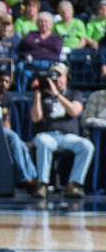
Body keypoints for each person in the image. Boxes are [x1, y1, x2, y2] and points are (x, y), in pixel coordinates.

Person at [29, 62, 94, 199]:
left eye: (60, 75)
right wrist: (38, 94)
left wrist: (57, 95)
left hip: (68, 137)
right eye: (54, 76)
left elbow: (74, 111)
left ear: (67, 77)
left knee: (87, 146)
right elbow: (35, 118)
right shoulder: (43, 95)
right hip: (47, 135)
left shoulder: (74, 93)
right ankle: (42, 185)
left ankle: (74, 184)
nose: (57, 79)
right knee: (43, 142)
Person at [0, 71, 37, 191]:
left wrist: (5, 132)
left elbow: (6, 120)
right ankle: (22, 177)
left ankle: (33, 178)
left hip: (1, 130)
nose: (4, 84)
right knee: (14, 137)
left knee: (22, 145)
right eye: (1, 80)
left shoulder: (8, 98)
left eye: (7, 81)